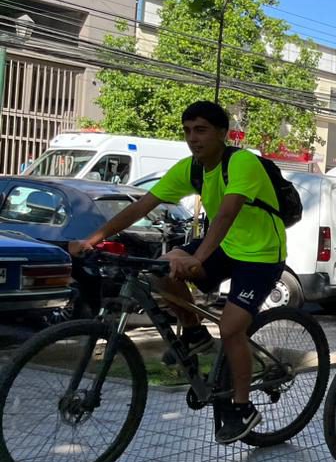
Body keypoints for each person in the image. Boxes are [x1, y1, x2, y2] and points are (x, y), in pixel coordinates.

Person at [69, 101, 286, 444]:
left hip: (260, 254)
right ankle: (194, 332)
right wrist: (92, 240)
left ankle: (242, 407)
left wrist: (198, 257)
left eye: (200, 130)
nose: (192, 138)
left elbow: (227, 213)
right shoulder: (191, 169)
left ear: (221, 133)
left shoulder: (242, 162)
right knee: (162, 268)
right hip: (226, 247)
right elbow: (143, 205)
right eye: (187, 131)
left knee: (231, 328)